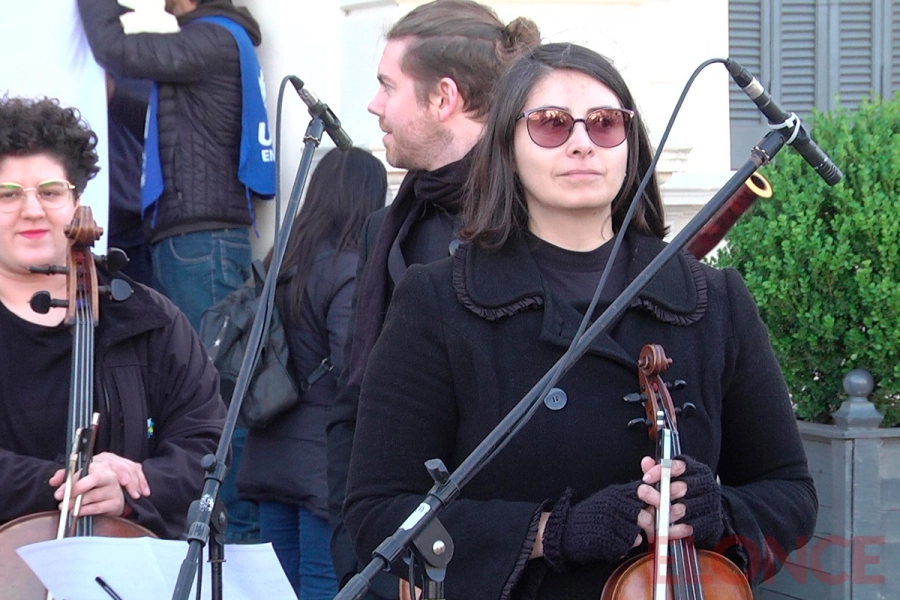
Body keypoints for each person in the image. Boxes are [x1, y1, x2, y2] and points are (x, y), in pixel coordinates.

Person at [343, 44, 818, 599]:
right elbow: (379, 514)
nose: (581, 142)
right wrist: (551, 533)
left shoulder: (715, 299)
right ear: (507, 147)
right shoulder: (438, 301)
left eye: (604, 123)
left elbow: (790, 494)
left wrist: (718, 511)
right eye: (550, 124)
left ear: (629, 145)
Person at [325, 2, 541, 596]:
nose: (373, 106)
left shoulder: (537, 221)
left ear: (443, 97)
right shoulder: (387, 227)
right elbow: (355, 401)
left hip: (502, 561)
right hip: (390, 560)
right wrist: (358, 554)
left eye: (387, 86)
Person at [77, 0, 275, 544]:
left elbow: (116, 49)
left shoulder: (211, 40)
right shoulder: (212, 45)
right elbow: (149, 100)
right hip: (192, 238)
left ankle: (225, 541)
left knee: (208, 397)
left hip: (199, 240)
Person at [0, 96, 226, 540]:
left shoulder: (149, 319)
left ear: (76, 201)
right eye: (7, 195)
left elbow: (204, 444)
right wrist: (69, 482)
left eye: (49, 192)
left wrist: (131, 490)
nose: (31, 211)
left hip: (122, 568)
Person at [237, 147, 387, 600]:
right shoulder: (348, 270)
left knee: (277, 590)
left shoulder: (277, 264)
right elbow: (352, 365)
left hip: (270, 450)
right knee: (324, 586)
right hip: (321, 459)